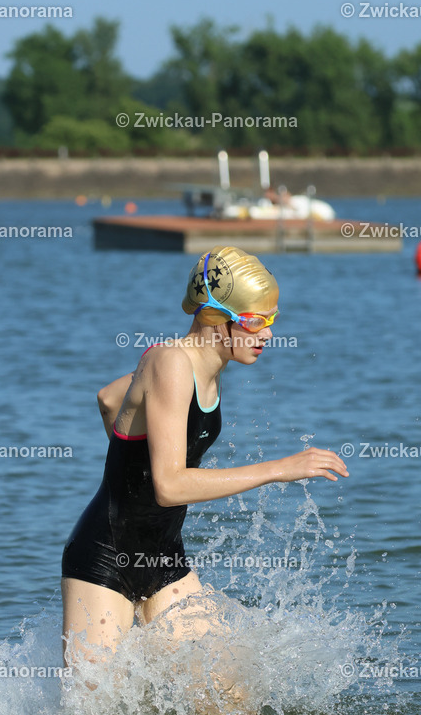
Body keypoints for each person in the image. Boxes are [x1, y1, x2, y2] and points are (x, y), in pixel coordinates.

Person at [61, 245, 348, 668]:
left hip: (162, 558)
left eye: (272, 320)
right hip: (105, 557)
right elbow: (170, 485)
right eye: (255, 321)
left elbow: (109, 400)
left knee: (230, 695)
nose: (268, 334)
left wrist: (129, 452)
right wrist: (279, 469)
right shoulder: (171, 363)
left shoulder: (205, 366)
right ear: (216, 317)